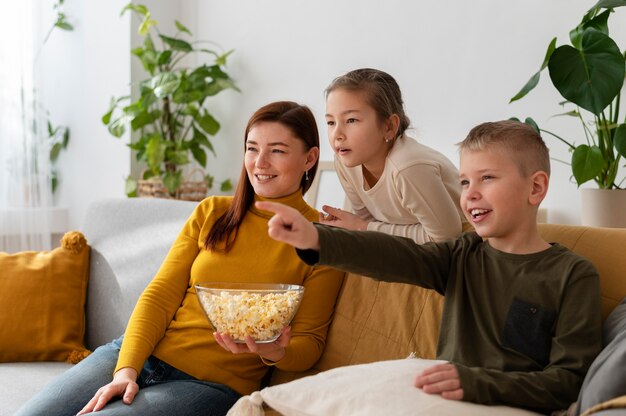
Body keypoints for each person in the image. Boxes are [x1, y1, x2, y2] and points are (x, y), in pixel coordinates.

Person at [15, 101, 345, 416]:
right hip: (137, 354)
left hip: (209, 385)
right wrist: (126, 370)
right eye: (252, 148)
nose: (260, 163)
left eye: (277, 151)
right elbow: (160, 293)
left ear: (309, 158)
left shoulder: (321, 240)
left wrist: (274, 351)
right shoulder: (213, 212)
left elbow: (310, 344)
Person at [257, 120, 602, 414]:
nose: (470, 194)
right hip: (441, 402)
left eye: (487, 178)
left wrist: (475, 382)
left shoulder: (573, 275)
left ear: (536, 187)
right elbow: (394, 255)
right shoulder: (462, 255)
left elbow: (568, 380)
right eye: (465, 182)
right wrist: (316, 239)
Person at [320, 68, 467, 244]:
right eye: (331, 122)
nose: (337, 134)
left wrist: (364, 228)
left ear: (389, 126)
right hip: (409, 247)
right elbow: (368, 224)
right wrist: (364, 227)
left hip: (461, 248)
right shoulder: (345, 163)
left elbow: (446, 237)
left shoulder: (408, 167)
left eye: (351, 120)